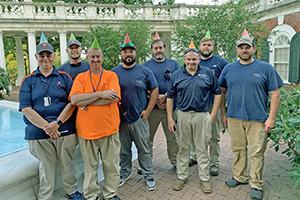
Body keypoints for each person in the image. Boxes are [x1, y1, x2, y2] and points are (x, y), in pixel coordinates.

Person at [219, 29, 284, 200]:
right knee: (238, 149)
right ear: (237, 50)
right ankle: (240, 177)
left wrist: (271, 118)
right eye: (241, 47)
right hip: (234, 117)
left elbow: (275, 94)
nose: (244, 50)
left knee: (256, 153)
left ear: (254, 49)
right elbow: (222, 92)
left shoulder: (266, 68)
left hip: (258, 119)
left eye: (247, 47)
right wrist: (223, 114)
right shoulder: (228, 68)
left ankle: (256, 183)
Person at [19, 33, 82, 200]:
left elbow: (72, 102)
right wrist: (48, 127)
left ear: (54, 56)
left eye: (49, 55)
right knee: (46, 167)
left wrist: (58, 123)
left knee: (67, 164)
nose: (45, 59)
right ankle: (45, 197)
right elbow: (26, 109)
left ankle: (72, 192)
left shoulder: (64, 77)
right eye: (42, 56)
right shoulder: (28, 80)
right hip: (38, 134)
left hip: (64, 130)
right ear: (36, 57)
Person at [166, 41, 221, 194]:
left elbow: (217, 93)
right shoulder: (176, 74)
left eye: (194, 59)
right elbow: (170, 97)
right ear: (184, 60)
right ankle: (182, 176)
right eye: (188, 59)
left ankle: (204, 179)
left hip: (202, 116)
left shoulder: (208, 73)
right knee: (183, 148)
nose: (191, 62)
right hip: (183, 115)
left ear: (198, 59)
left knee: (202, 148)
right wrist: (170, 118)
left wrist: (212, 115)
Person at [69, 38, 121, 200]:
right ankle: (91, 196)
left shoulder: (111, 75)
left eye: (98, 57)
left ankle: (110, 194)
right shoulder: (81, 78)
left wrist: (86, 100)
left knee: (111, 166)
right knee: (90, 168)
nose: (95, 60)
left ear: (102, 58)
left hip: (109, 130)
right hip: (86, 132)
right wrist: (100, 94)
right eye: (92, 57)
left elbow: (112, 98)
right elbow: (74, 100)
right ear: (88, 59)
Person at [111, 33, 159, 191]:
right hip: (120, 120)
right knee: (123, 151)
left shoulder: (144, 71)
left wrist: (148, 110)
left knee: (144, 149)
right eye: (125, 52)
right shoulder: (113, 73)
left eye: (131, 51)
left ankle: (148, 175)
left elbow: (154, 90)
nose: (128, 54)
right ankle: (125, 173)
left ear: (135, 53)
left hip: (139, 118)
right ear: (121, 54)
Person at [189, 31, 229, 177]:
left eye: (209, 45)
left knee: (214, 136)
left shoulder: (221, 63)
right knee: (195, 134)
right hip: (197, 105)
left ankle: (214, 163)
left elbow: (226, 85)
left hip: (214, 105)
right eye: (204, 44)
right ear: (200, 47)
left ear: (213, 47)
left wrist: (223, 109)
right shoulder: (194, 61)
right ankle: (194, 156)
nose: (206, 47)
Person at [142, 32, 180, 170]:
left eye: (160, 48)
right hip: (153, 109)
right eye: (155, 48)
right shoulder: (146, 66)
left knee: (173, 138)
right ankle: (146, 165)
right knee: (148, 138)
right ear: (152, 50)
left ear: (164, 49)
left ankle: (176, 163)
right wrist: (156, 99)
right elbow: (143, 85)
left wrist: (166, 97)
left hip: (170, 109)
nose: (158, 50)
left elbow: (179, 84)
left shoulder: (174, 64)